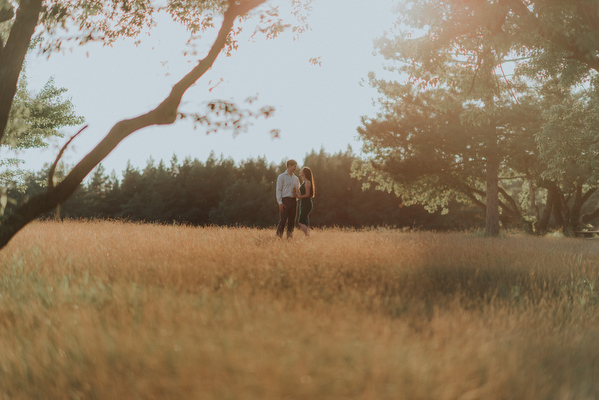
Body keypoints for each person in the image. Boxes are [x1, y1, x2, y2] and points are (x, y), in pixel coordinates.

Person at [276, 159, 300, 238]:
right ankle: (278, 237)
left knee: (292, 221)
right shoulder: (281, 176)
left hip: (294, 201)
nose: (295, 168)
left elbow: (298, 189)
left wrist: (297, 194)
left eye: (296, 166)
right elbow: (278, 190)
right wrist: (280, 203)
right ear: (289, 166)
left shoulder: (296, 178)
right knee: (283, 220)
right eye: (294, 166)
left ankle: (289, 238)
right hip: (285, 201)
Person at [294, 166, 315, 237]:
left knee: (300, 222)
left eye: (301, 170)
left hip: (306, 204)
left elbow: (307, 195)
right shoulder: (304, 182)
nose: (300, 171)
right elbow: (303, 193)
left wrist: (298, 196)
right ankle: (307, 237)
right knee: (305, 221)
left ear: (304, 173)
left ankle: (308, 236)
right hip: (303, 204)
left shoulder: (307, 182)